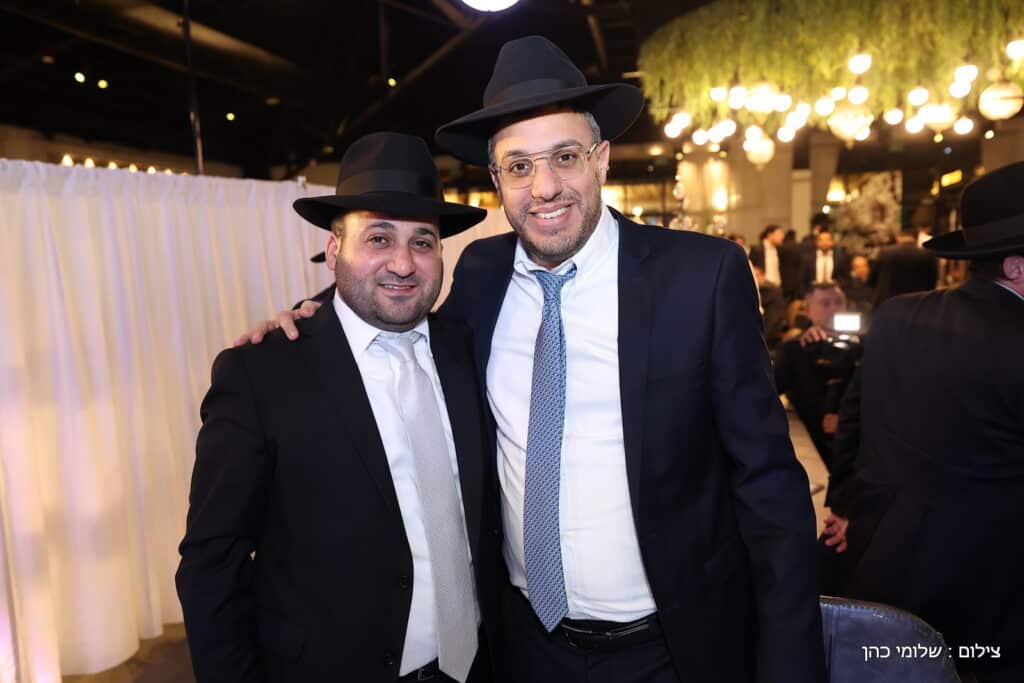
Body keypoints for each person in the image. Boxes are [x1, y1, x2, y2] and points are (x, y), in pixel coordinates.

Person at [250, 36, 825, 683]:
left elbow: (770, 487)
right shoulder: (481, 274)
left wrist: (792, 665)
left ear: (601, 160)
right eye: (519, 166)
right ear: (497, 181)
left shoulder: (700, 277)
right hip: (525, 647)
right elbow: (402, 323)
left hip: (674, 647)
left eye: (564, 157)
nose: (544, 187)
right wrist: (316, 319)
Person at [176, 132, 503, 683]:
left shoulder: (468, 348)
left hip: (479, 667)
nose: (403, 263)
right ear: (333, 251)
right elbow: (212, 564)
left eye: (422, 242)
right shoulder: (262, 374)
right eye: (378, 238)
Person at [825, 161, 1024, 682]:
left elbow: (852, 422)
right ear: (1016, 267)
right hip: (996, 595)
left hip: (889, 574)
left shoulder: (896, 316)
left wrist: (844, 505)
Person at [773, 282, 850, 469]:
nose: (833, 308)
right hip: (814, 443)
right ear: (807, 311)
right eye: (825, 304)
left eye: (838, 302)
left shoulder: (863, 347)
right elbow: (771, 389)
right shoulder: (795, 349)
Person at [869, 227, 938, 307]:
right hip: (916, 305)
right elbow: (932, 284)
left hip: (888, 305)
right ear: (916, 238)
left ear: (898, 237)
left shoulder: (884, 253)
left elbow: (872, 280)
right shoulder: (927, 255)